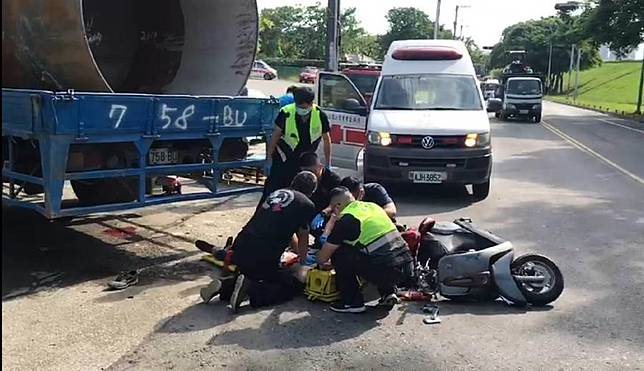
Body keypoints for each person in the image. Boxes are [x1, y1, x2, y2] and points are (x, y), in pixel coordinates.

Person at [200, 171, 318, 313]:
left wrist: (295, 250)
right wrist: (303, 260)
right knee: (290, 284)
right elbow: (303, 234)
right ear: (311, 191)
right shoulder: (306, 204)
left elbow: (283, 226)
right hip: (263, 255)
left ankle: (224, 287)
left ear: (293, 182)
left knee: (249, 275)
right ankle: (251, 290)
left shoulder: (278, 193)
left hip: (242, 245)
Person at [316, 187, 414, 313]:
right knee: (377, 251)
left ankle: (351, 302)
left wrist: (316, 260)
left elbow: (323, 257)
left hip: (387, 272)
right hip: (406, 267)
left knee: (340, 253)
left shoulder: (347, 220)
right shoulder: (372, 206)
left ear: (337, 206)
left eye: (333, 208)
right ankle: (388, 293)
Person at [261, 86, 332, 204]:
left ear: (311, 104)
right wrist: (269, 157)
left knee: (307, 188)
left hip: (306, 156)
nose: (301, 109)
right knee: (274, 187)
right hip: (285, 155)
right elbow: (275, 135)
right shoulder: (286, 112)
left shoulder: (320, 114)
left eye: (304, 107)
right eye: (298, 106)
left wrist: (328, 163)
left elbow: (327, 140)